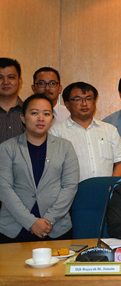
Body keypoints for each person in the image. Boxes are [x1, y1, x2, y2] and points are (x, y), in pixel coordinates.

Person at [0, 94, 79, 243]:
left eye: (46, 114)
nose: (41, 118)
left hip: (55, 228)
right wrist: (31, 222)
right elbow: (4, 188)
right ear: (23, 117)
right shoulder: (7, 148)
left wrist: (48, 220)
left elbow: (70, 186)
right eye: (34, 113)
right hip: (14, 227)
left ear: (52, 119)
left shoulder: (65, 147)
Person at [50, 82, 121, 181]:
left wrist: (110, 187)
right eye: (78, 99)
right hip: (72, 194)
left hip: (105, 192)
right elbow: (52, 169)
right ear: (67, 104)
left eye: (88, 99)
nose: (84, 103)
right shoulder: (56, 133)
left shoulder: (110, 130)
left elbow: (120, 163)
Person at [0, 57, 24, 144]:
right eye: (0, 77)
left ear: (20, 81)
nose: (5, 82)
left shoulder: (30, 112)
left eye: (11, 77)